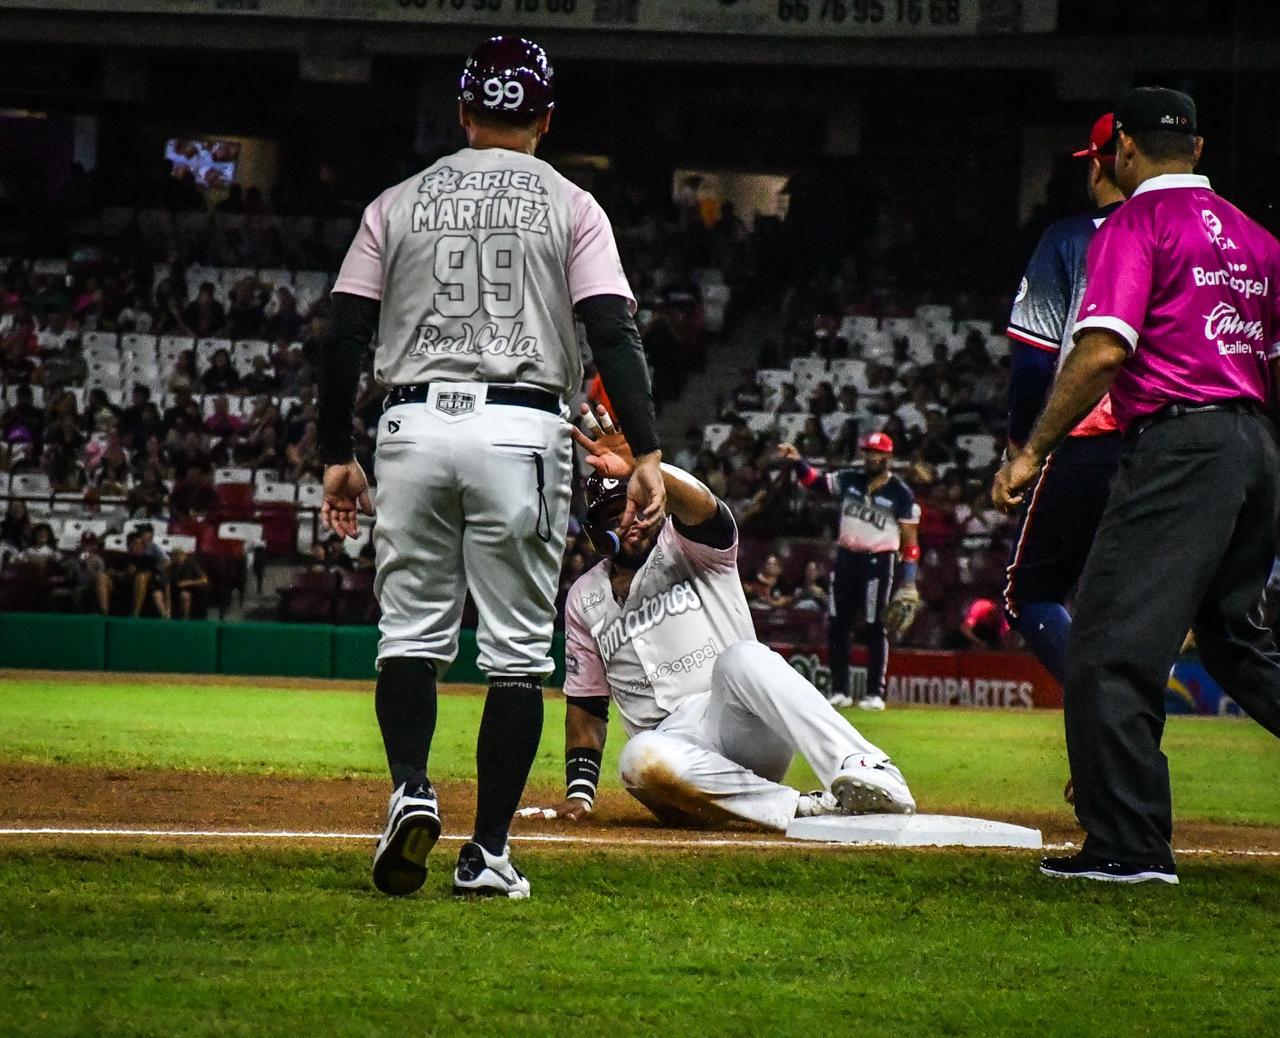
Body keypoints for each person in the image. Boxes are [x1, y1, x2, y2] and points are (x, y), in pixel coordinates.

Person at [319, 35, 665, 901]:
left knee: (409, 635)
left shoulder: (396, 201)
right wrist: (648, 451)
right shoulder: (572, 202)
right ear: (545, 119)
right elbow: (612, 329)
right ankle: (489, 855)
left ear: (464, 114)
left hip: (409, 425)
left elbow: (344, 336)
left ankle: (410, 789)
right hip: (519, 428)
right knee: (514, 655)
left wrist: (335, 453)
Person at [993, 87, 1280, 884]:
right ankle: (1127, 836)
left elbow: (1101, 351)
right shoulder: (1260, 241)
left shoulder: (1134, 223)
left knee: (1110, 644)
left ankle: (1127, 846)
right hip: (1254, 444)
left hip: (1178, 441)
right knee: (1236, 642)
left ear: (1121, 147)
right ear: (1199, 149)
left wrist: (1030, 451)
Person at [528, 405, 913, 830]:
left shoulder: (690, 545)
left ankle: (870, 767)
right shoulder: (583, 598)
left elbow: (706, 508)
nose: (631, 521)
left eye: (637, 506)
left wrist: (644, 466)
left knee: (743, 657)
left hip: (742, 719)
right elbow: (586, 705)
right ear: (593, 530)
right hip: (681, 757)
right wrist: (579, 794)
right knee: (638, 757)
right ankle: (799, 808)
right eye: (613, 515)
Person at [1001, 114, 1126, 685]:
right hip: (1186, 444)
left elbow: (1032, 358)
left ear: (1104, 162)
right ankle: (1118, 755)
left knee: (1032, 594)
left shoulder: (1073, 237)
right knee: (1126, 609)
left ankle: (1100, 724)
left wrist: (1018, 449)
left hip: (1089, 440)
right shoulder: (1205, 238)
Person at [779, 432, 921, 711]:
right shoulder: (850, 479)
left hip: (878, 563)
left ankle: (874, 693)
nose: (871, 457)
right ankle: (839, 689)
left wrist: (910, 581)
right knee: (837, 625)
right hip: (845, 559)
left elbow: (911, 543)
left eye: (877, 453)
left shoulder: (900, 493)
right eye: (867, 452)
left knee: (874, 626)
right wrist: (798, 461)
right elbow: (815, 482)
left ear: (888, 457)